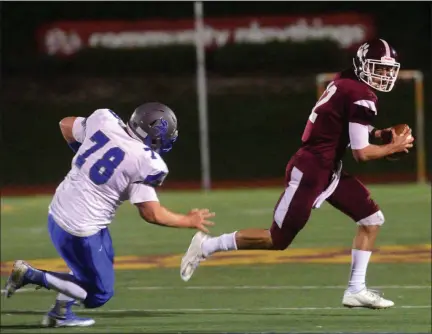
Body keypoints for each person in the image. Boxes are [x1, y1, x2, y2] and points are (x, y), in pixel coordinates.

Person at [180, 39, 414, 310]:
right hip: (312, 169)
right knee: (276, 239)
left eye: (388, 70)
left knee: (372, 219)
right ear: (362, 65)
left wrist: (380, 136)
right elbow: (361, 153)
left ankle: (355, 289)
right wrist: (392, 147)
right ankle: (207, 246)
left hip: (328, 168)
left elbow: (346, 131)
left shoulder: (344, 82)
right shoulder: (363, 95)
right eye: (378, 68)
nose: (384, 75)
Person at [3, 103, 215, 327]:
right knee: (98, 293)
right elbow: (152, 214)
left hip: (59, 210)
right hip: (80, 230)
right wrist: (188, 221)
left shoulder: (104, 120)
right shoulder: (146, 162)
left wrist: (88, 159)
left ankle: (60, 313)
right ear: (156, 136)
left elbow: (65, 125)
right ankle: (30, 275)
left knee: (91, 267)